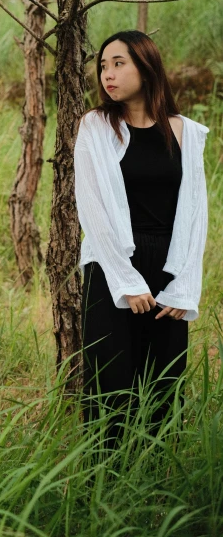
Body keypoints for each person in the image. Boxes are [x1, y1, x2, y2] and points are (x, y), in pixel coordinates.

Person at [74, 30, 210, 445]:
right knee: (110, 386)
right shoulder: (96, 126)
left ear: (146, 67)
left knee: (162, 387)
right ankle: (104, 485)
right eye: (102, 66)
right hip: (112, 267)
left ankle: (150, 490)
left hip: (168, 270)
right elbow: (92, 208)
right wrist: (127, 281)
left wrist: (183, 286)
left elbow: (195, 211)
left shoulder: (185, 131)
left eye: (119, 63)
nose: (107, 75)